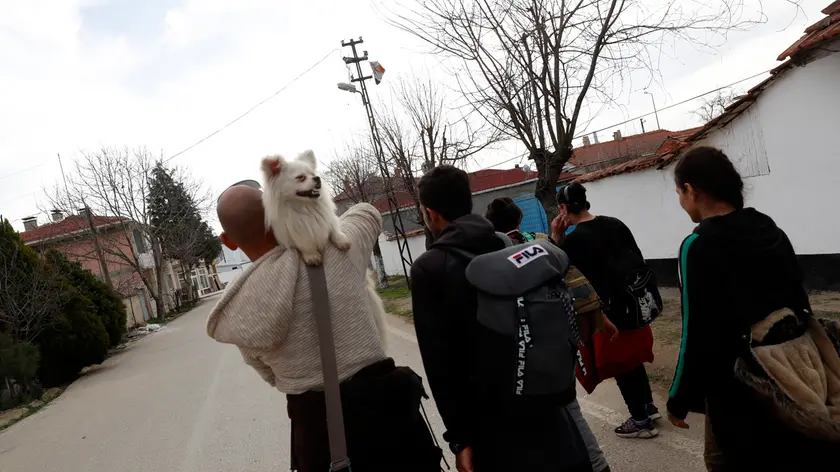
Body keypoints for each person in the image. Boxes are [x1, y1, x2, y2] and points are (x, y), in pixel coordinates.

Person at [208, 182, 441, 472]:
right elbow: (367, 212)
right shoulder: (334, 250)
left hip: (320, 443)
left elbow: (272, 377)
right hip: (392, 427)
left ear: (227, 242)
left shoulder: (241, 309)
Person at [667, 147, 840, 470]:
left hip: (738, 388)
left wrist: (679, 399)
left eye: (679, 192)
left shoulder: (698, 245)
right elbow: (799, 301)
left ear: (691, 190)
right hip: (793, 373)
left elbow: (698, 332)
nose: (680, 201)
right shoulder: (768, 227)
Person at [411, 165, 591, 472]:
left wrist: (460, 439)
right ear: (469, 202)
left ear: (430, 213)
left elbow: (441, 364)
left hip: (492, 424)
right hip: (542, 402)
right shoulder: (504, 244)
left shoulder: (430, 268)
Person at [484, 196, 611, 472]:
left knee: (558, 413)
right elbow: (571, 276)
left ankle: (595, 464)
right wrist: (599, 313)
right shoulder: (540, 240)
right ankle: (596, 463)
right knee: (566, 406)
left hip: (530, 346)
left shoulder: (494, 257)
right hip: (559, 334)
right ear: (519, 219)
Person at [551, 183, 661, 439]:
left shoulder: (575, 239)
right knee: (633, 358)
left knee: (621, 363)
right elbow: (638, 257)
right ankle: (648, 406)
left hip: (609, 311)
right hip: (635, 302)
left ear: (564, 208)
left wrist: (557, 238)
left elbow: (560, 271)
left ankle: (641, 420)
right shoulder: (615, 223)